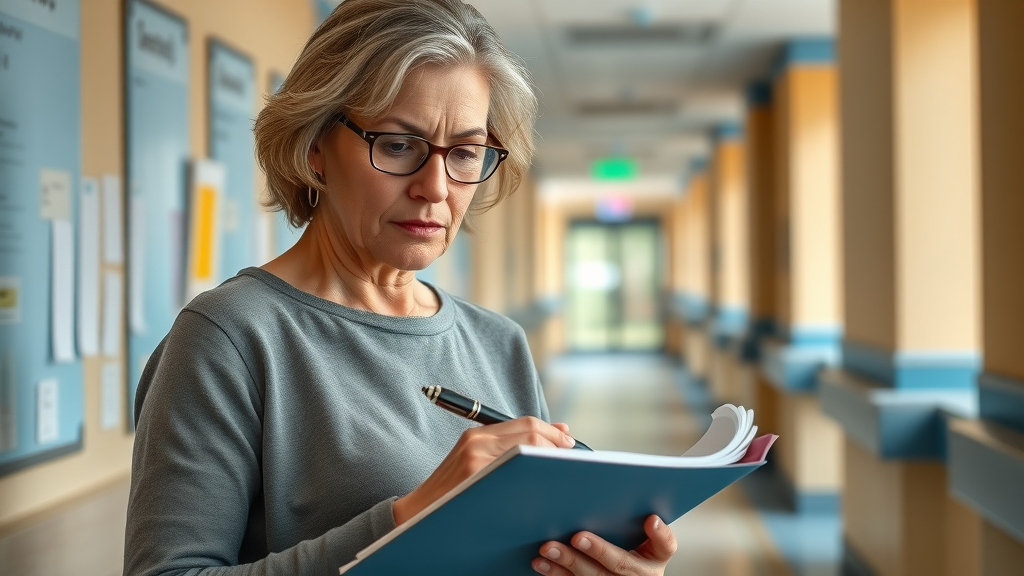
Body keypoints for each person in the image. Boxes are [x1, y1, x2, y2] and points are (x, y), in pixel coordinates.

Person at [123, 1, 678, 574]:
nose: (435, 187)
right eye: (396, 145)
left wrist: (592, 563)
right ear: (314, 145)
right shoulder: (230, 339)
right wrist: (412, 515)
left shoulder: (499, 343)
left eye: (464, 153)